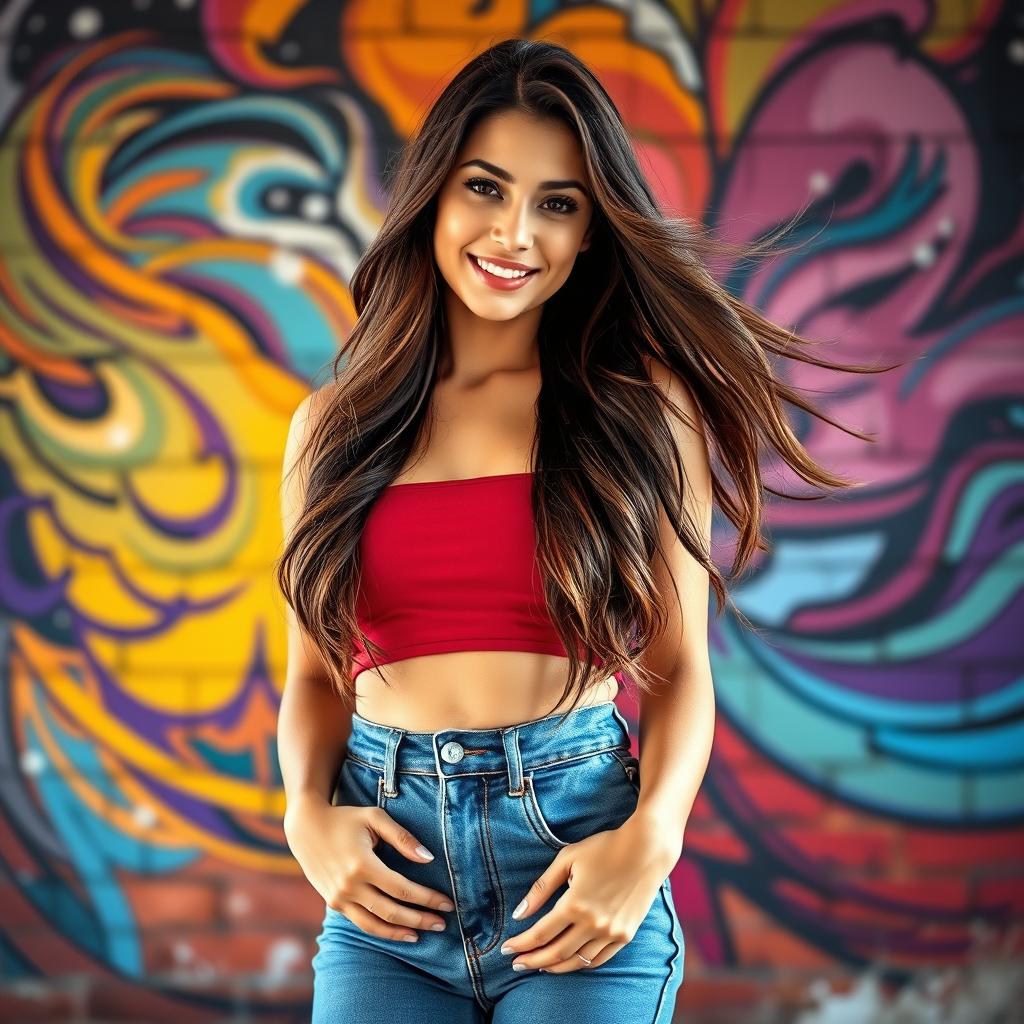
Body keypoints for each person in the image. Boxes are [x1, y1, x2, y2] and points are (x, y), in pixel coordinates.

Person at [275, 38, 887, 1024]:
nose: (514, 232)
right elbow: (313, 676)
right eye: (485, 187)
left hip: (572, 859)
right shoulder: (333, 428)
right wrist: (306, 814)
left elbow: (681, 668)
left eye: (557, 203)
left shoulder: (640, 414)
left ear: (594, 230)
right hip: (390, 888)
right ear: (434, 193)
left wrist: (652, 840)